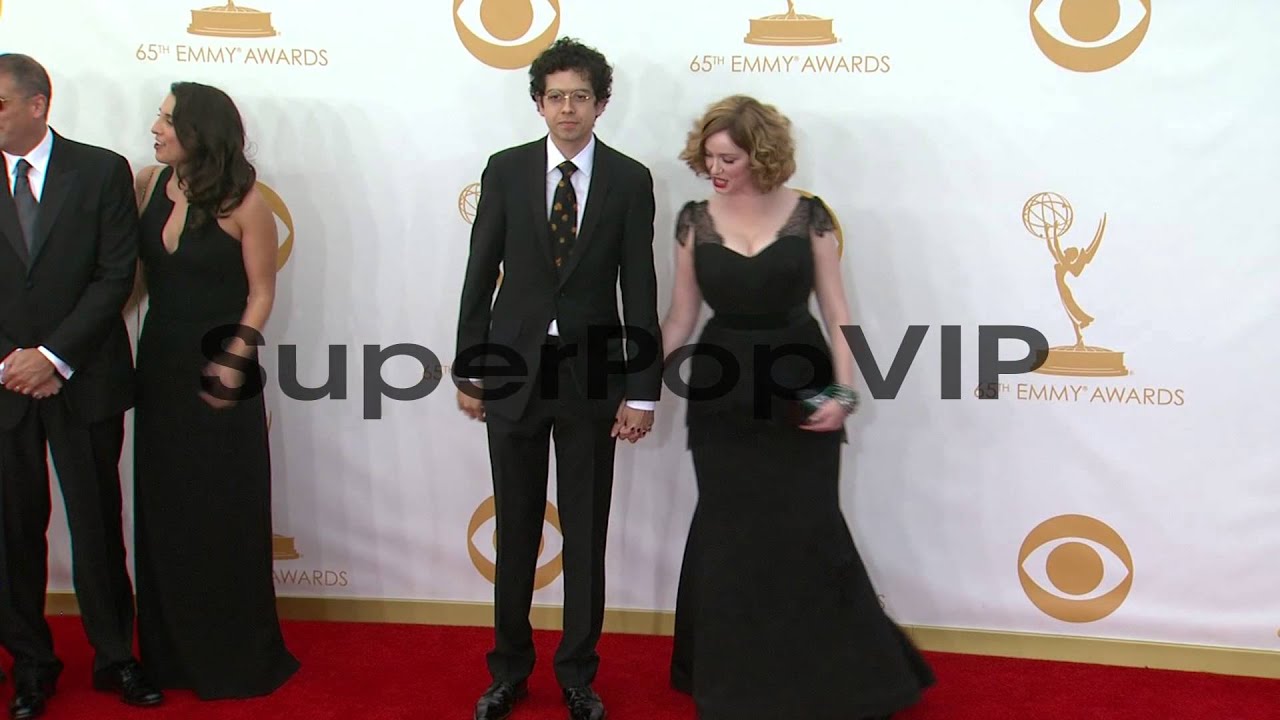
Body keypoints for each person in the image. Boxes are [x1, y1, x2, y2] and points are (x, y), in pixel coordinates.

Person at [660, 95, 935, 720]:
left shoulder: (810, 216)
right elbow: (679, 318)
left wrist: (843, 392)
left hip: (801, 382)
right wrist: (637, 383)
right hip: (721, 394)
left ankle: (838, 681)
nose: (715, 169)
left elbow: (839, 314)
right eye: (708, 159)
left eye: (727, 157)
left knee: (808, 531)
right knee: (730, 536)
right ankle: (736, 686)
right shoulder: (692, 220)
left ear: (761, 155)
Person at [453, 37, 662, 720]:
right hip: (513, 371)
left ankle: (578, 673)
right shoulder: (507, 171)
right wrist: (472, 366)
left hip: (592, 378)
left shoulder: (629, 180)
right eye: (555, 97)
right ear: (538, 103)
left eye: (580, 97)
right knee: (515, 525)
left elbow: (641, 288)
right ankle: (508, 670)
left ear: (601, 104)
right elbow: (480, 275)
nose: (567, 109)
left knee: (585, 527)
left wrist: (641, 389)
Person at [0, 53, 164, 719]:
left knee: (97, 526)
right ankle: (31, 666)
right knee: (12, 533)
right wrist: (13, 361)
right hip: (5, 385)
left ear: (38, 104)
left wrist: (54, 355)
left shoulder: (100, 171)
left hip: (85, 377)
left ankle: (115, 660)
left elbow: (115, 274)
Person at [127, 81, 299, 700]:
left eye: (168, 119)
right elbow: (139, 282)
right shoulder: (148, 184)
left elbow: (261, 292)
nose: (156, 127)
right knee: (165, 505)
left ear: (199, 130)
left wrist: (234, 358)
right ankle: (168, 654)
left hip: (222, 364)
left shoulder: (244, 202)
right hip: (160, 364)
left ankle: (232, 653)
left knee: (221, 507)